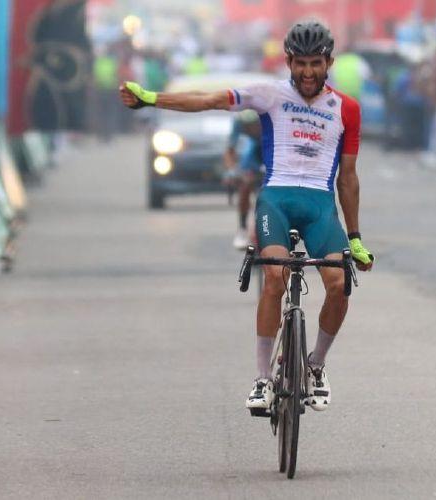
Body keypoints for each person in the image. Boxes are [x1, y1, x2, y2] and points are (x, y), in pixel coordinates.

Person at [119, 21, 374, 413]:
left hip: (320, 205)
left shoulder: (347, 109)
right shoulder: (270, 94)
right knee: (274, 276)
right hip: (277, 199)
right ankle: (261, 378)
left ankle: (316, 366)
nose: (308, 72)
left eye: (316, 63)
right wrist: (151, 99)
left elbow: (348, 177)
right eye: (301, 63)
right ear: (289, 62)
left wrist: (354, 237)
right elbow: (208, 100)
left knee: (339, 283)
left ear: (329, 63)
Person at [225, 110, 264, 249]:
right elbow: (230, 151)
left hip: (268, 152)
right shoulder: (238, 124)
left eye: (254, 125)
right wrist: (233, 171)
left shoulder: (269, 120)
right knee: (245, 185)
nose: (251, 129)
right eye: (247, 126)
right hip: (251, 158)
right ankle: (242, 228)